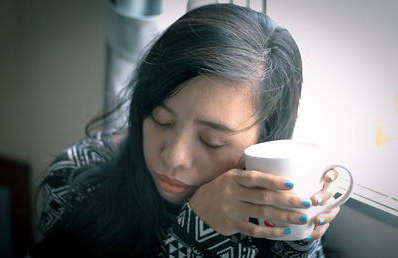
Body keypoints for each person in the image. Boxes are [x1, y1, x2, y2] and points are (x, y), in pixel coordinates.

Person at [29, 4, 340, 257]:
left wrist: (298, 239)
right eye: (161, 120)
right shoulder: (77, 175)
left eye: (212, 141)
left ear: (264, 140)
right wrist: (195, 234)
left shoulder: (268, 217)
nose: (174, 157)